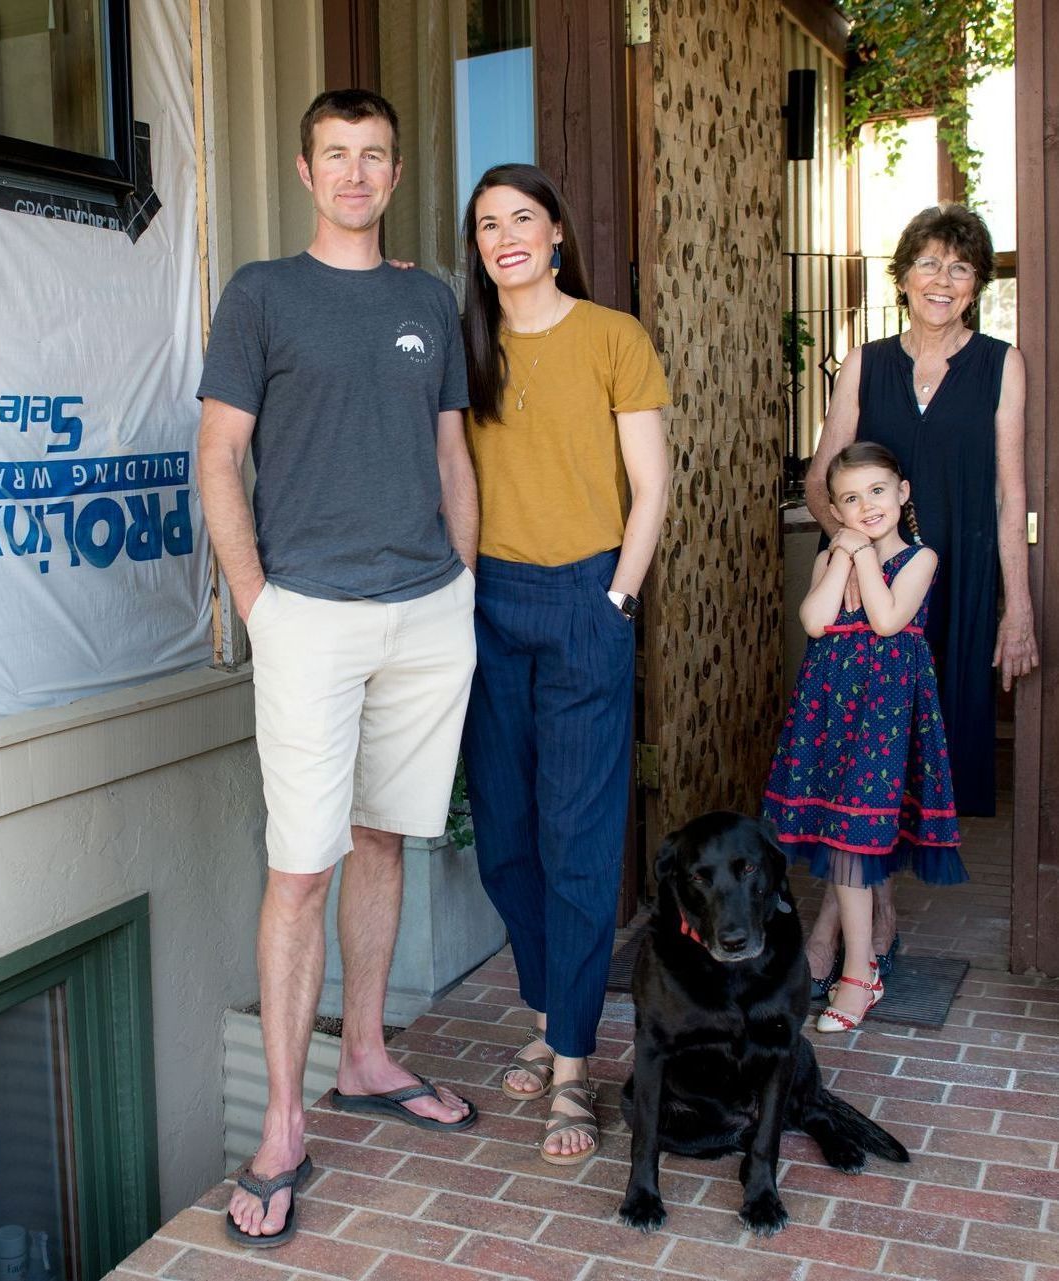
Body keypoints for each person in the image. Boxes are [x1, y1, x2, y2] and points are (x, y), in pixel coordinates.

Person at [197, 89, 479, 1247]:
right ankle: (281, 1121)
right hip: (307, 614)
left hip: (426, 611)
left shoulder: (428, 296)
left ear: (394, 172)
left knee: (381, 838)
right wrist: (259, 601)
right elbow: (219, 454)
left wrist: (459, 576)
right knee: (299, 867)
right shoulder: (262, 294)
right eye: (335, 156)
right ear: (306, 173)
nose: (355, 173)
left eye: (373, 156)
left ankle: (366, 1056)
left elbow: (449, 449)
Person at [458, 164, 670, 1164]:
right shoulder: (465, 344)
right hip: (486, 603)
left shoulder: (611, 337)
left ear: (553, 234)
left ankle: (575, 1068)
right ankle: (548, 1016)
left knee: (577, 840)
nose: (504, 234)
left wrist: (617, 597)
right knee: (504, 835)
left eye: (521, 219)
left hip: (586, 597)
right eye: (486, 223)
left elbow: (651, 485)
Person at [801, 204, 1038, 992]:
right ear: (903, 276)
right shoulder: (865, 362)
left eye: (961, 267)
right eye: (930, 264)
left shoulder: (1002, 363)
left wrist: (1019, 607)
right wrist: (853, 544)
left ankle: (852, 920)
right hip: (869, 593)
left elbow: (1011, 496)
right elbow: (823, 470)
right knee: (862, 747)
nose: (943, 280)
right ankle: (848, 921)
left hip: (953, 581)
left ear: (977, 286)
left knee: (906, 752)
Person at [764, 443, 966, 1032]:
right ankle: (859, 953)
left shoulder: (920, 559)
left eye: (877, 491)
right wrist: (841, 555)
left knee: (857, 837)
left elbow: (885, 620)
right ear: (836, 508)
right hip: (830, 712)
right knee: (841, 832)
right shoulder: (835, 553)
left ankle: (860, 973)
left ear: (902, 493)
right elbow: (814, 620)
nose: (867, 506)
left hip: (884, 715)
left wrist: (863, 557)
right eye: (850, 499)